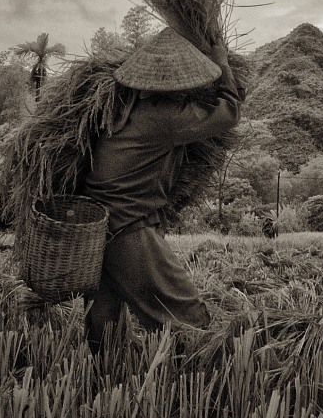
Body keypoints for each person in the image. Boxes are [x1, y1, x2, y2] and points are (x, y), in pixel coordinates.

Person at [79, 26, 240, 353]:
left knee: (104, 324)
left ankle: (105, 378)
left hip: (99, 230)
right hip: (128, 230)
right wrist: (222, 64)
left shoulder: (122, 107)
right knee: (186, 318)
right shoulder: (164, 117)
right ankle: (198, 376)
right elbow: (228, 113)